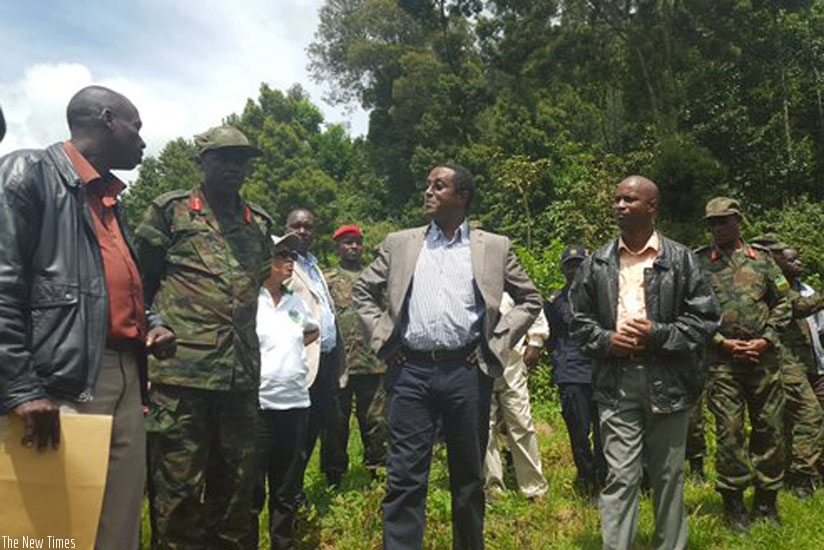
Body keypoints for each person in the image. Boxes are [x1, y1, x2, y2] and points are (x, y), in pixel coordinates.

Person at [0, 85, 175, 550]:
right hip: (63, 377)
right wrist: (20, 387)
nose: (142, 140)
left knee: (117, 521)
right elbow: (3, 285)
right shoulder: (29, 172)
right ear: (105, 118)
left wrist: (152, 321)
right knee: (54, 527)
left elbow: (112, 285)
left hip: (124, 374)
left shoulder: (111, 201)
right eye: (136, 127)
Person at [354, 164, 543, 550]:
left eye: (438, 186)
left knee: (468, 477)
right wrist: (385, 340)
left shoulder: (494, 246)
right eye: (428, 185)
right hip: (410, 372)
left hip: (467, 373)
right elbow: (363, 292)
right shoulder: (401, 243)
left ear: (462, 197)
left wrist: (495, 345)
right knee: (405, 477)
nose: (428, 192)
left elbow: (530, 299)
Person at [135, 125, 274, 549]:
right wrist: (155, 320)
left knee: (236, 494)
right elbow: (137, 283)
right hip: (182, 380)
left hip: (240, 380)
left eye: (242, 159)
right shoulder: (171, 212)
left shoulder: (258, 224)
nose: (235, 166)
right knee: (177, 494)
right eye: (224, 158)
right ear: (203, 162)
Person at [570, 176, 720, 550]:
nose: (619, 206)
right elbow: (577, 320)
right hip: (616, 379)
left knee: (669, 474)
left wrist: (658, 334)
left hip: (668, 379)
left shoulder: (681, 259)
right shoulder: (598, 262)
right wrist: (608, 341)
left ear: (652, 206)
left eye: (629, 199)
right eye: (617, 199)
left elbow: (704, 320)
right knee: (620, 474)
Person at [695, 197, 790, 530]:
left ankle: (767, 502)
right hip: (723, 364)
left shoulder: (763, 262)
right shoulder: (700, 263)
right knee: (730, 431)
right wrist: (723, 343)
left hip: (764, 361)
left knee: (769, 428)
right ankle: (733, 504)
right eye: (712, 223)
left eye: (723, 221)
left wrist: (766, 339)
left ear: (738, 221)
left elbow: (784, 302)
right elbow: (693, 312)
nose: (717, 228)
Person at [252, 233, 320, 550]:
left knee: (286, 489)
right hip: (258, 409)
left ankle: (283, 544)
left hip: (295, 405)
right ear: (264, 260)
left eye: (292, 256)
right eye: (282, 256)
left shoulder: (295, 301)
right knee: (251, 490)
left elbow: (311, 331)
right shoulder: (252, 301)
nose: (290, 262)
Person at [284, 208, 346, 486]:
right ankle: (288, 493)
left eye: (308, 227)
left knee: (314, 427)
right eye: (296, 225)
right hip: (300, 359)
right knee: (295, 430)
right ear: (286, 228)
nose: (302, 231)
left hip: (326, 360)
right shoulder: (281, 263)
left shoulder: (313, 264)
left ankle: (295, 489)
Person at [321, 224, 387, 482]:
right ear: (337, 247)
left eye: (357, 242)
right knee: (335, 423)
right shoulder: (326, 281)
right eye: (347, 242)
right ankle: (333, 475)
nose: (353, 247)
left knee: (377, 422)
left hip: (373, 362)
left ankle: (378, 472)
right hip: (339, 364)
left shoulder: (376, 278)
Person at [545, 245, 606, 499]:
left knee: (604, 432)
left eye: (579, 263)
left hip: (600, 371)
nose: (574, 269)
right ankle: (586, 478)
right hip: (571, 373)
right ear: (563, 269)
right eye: (570, 264)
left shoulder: (602, 296)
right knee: (579, 432)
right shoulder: (555, 301)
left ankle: (604, 478)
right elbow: (550, 336)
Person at [484, 292, 550, 501]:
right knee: (484, 426)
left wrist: (536, 340)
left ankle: (534, 487)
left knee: (521, 422)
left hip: (512, 359)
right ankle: (492, 487)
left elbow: (531, 301)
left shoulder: (508, 270)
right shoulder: (468, 272)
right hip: (480, 359)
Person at [771, 244, 824, 498]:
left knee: (812, 418)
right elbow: (797, 307)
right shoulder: (778, 287)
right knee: (805, 417)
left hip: (814, 364)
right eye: (790, 260)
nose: (798, 263)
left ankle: (812, 471)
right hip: (788, 363)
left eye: (798, 259)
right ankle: (801, 478)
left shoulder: (806, 289)